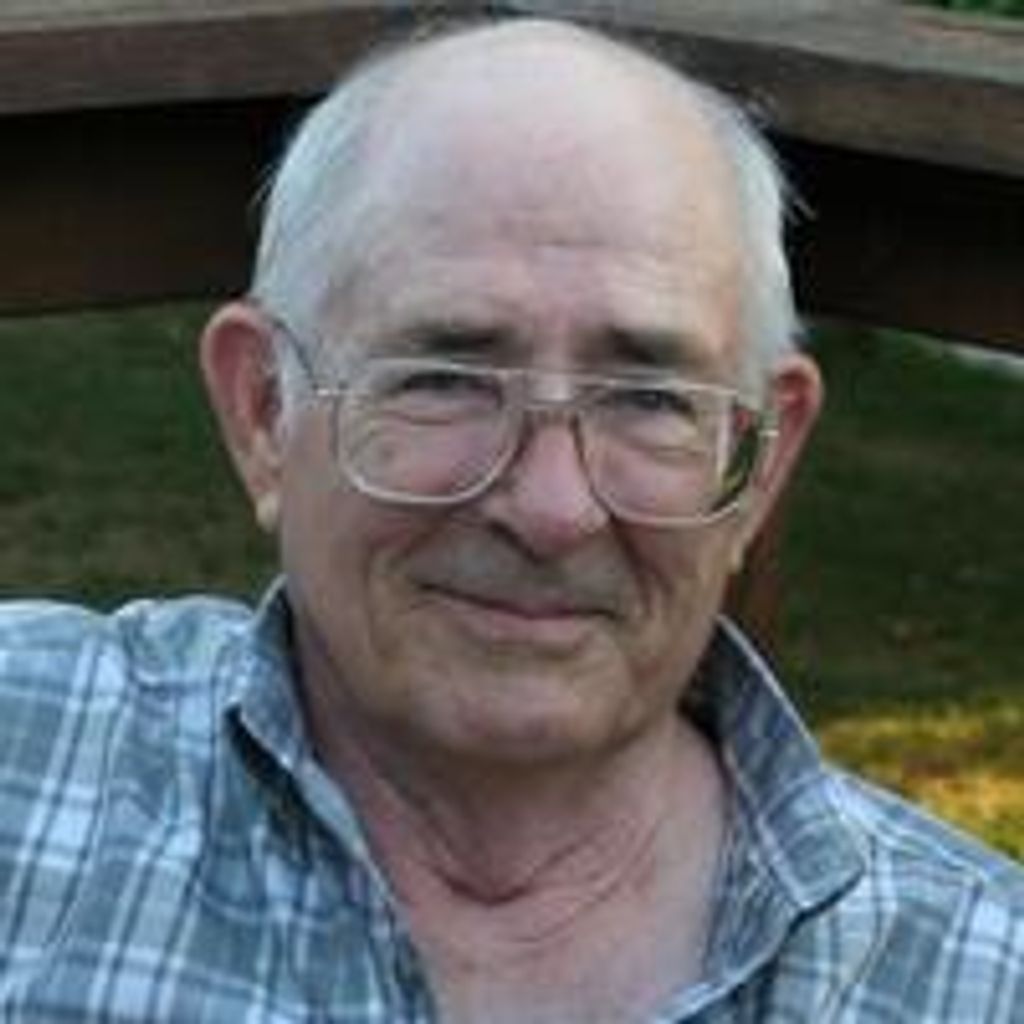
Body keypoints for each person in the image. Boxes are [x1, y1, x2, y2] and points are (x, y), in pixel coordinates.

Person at [1, 15, 1021, 1023]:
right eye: (445, 377)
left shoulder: (978, 978)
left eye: (649, 398)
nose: (552, 509)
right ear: (265, 410)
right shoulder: (30, 763)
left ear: (760, 465)